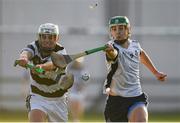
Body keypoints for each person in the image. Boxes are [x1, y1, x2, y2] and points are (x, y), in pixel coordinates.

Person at [103, 16, 167, 122]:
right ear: (111, 32)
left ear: (128, 30)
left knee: (141, 120)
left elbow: (141, 54)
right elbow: (113, 54)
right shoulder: (112, 48)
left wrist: (155, 72)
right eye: (114, 29)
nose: (118, 32)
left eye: (121, 28)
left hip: (136, 97)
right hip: (116, 101)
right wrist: (110, 51)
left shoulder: (135, 45)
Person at [16, 23, 74, 122]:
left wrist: (42, 67)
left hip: (58, 100)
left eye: (51, 37)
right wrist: (23, 58)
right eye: (44, 37)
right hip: (38, 97)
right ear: (39, 37)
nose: (47, 40)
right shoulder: (34, 46)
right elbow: (26, 52)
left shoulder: (61, 51)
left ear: (57, 38)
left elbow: (53, 64)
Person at [66, 57, 90, 122]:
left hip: (80, 91)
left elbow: (86, 80)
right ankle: (75, 119)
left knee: (79, 106)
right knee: (73, 104)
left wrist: (82, 85)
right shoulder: (70, 70)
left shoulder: (84, 70)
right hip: (72, 90)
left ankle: (77, 119)